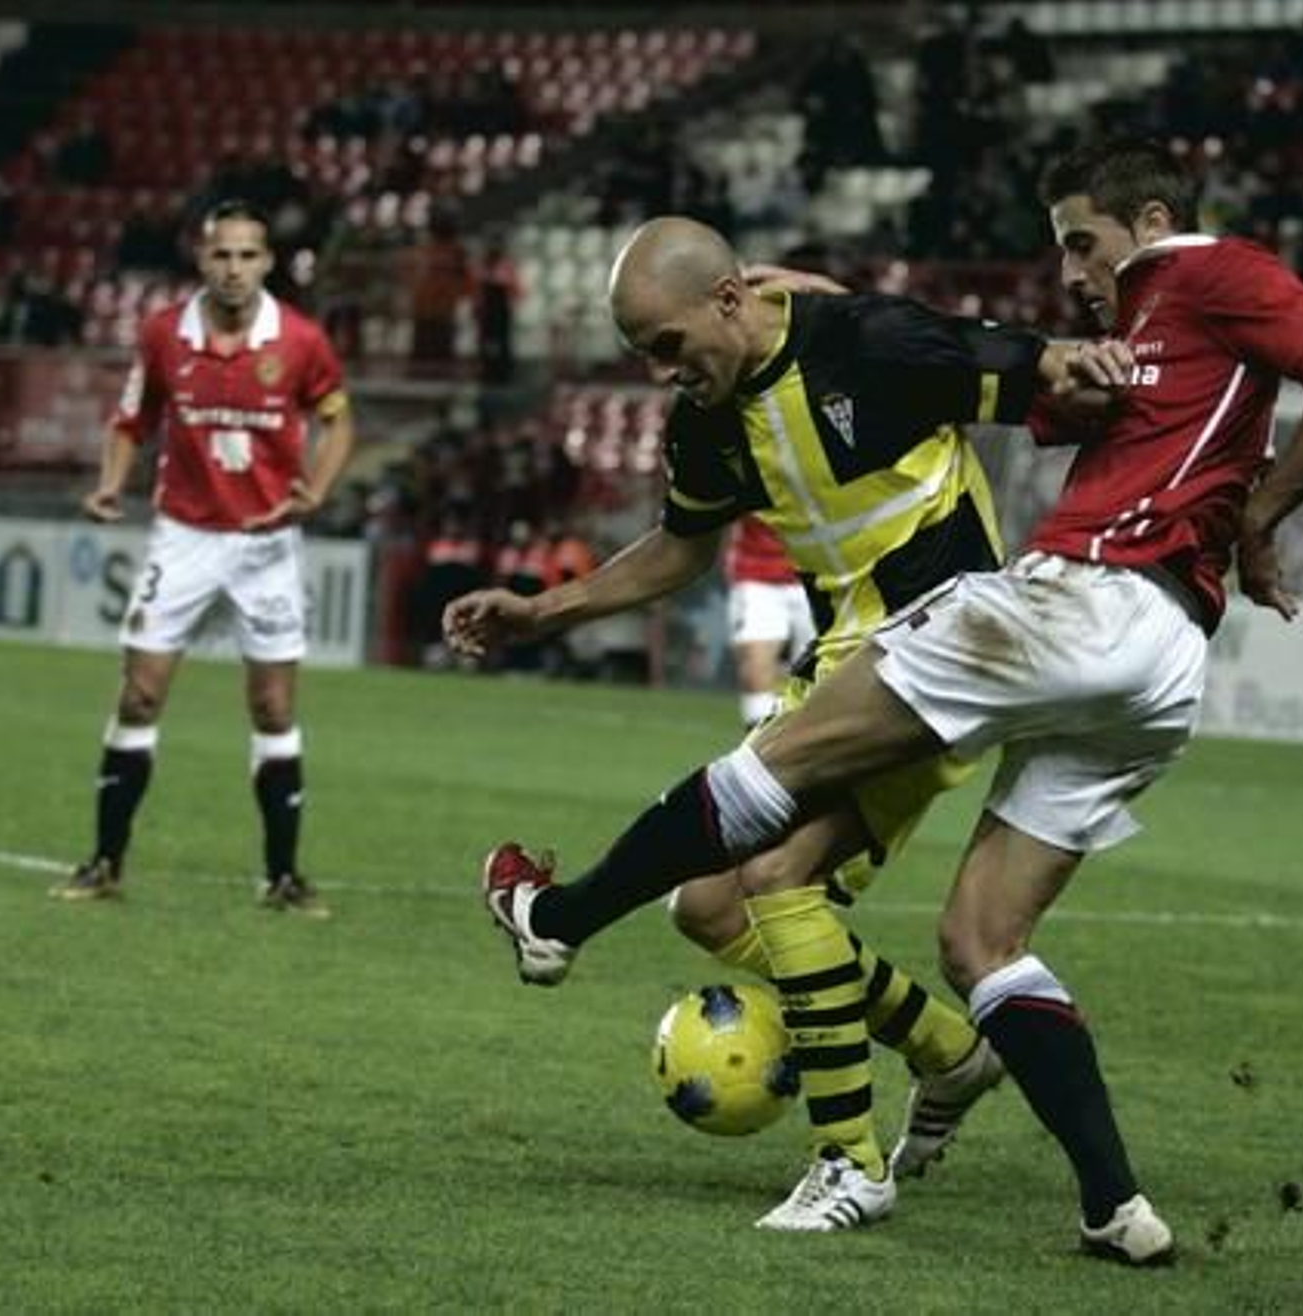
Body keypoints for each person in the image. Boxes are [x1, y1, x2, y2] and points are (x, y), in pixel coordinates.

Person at [456, 139, 1303, 1263]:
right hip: (1157, 658)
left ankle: (572, 937)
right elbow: (1003, 372)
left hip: (1069, 603)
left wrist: (1254, 511)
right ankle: (1110, 1203)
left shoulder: (1206, 275)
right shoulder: (1140, 335)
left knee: (763, 820)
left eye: (1081, 245)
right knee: (973, 938)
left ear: (1149, 219)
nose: (1072, 272)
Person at [444, 215, 1124, 1232]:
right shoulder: (709, 419)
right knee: (710, 906)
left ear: (727, 299)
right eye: (644, 358)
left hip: (946, 655)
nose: (665, 373)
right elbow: (679, 550)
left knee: (776, 875)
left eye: (670, 346)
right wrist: (543, 610)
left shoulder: (872, 345)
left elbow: (1049, 373)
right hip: (846, 661)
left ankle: (849, 1161)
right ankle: (948, 1048)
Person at [51, 199, 356, 917]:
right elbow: (131, 420)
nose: (234, 268)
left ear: (268, 263)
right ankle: (104, 863)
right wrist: (109, 487)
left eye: (249, 255)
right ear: (202, 258)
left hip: (267, 545)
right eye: (223, 254)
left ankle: (283, 876)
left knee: (274, 706)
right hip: (183, 535)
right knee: (140, 693)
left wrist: (313, 489)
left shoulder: (303, 340)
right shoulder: (164, 335)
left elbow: (339, 422)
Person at [723, 514, 816, 729]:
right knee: (756, 669)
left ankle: (800, 745)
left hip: (815, 577)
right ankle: (758, 750)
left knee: (819, 677)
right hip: (756, 577)